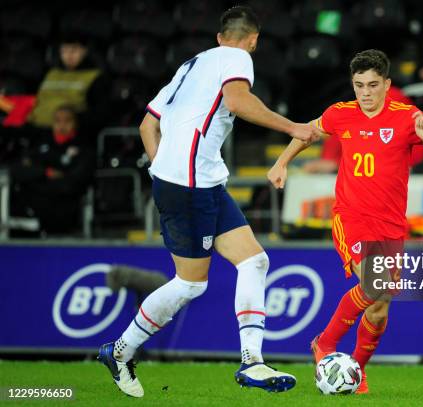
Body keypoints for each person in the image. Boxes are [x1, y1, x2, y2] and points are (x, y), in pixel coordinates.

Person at [97, 6, 322, 398]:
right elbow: (237, 101)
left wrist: (160, 167)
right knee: (190, 284)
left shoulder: (190, 65)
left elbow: (147, 124)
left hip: (200, 181)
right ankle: (120, 351)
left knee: (255, 261)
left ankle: (252, 361)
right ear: (253, 40)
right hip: (188, 185)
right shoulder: (238, 58)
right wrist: (294, 127)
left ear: (220, 37)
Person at [267, 49, 423, 394]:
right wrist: (281, 163)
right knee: (374, 286)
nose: (365, 93)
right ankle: (324, 344)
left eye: (372, 85)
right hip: (352, 217)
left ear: (387, 84)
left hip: (391, 226)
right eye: (359, 85)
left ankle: (356, 367)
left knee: (381, 306)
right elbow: (307, 132)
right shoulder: (340, 114)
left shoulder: (408, 117)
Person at [8, 105, 94, 234]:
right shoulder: (42, 144)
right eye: (57, 121)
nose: (62, 125)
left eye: (67, 120)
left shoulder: (83, 148)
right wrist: (46, 172)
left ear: (75, 123)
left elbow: (73, 181)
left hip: (63, 207)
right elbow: (17, 170)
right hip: (32, 202)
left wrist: (37, 177)